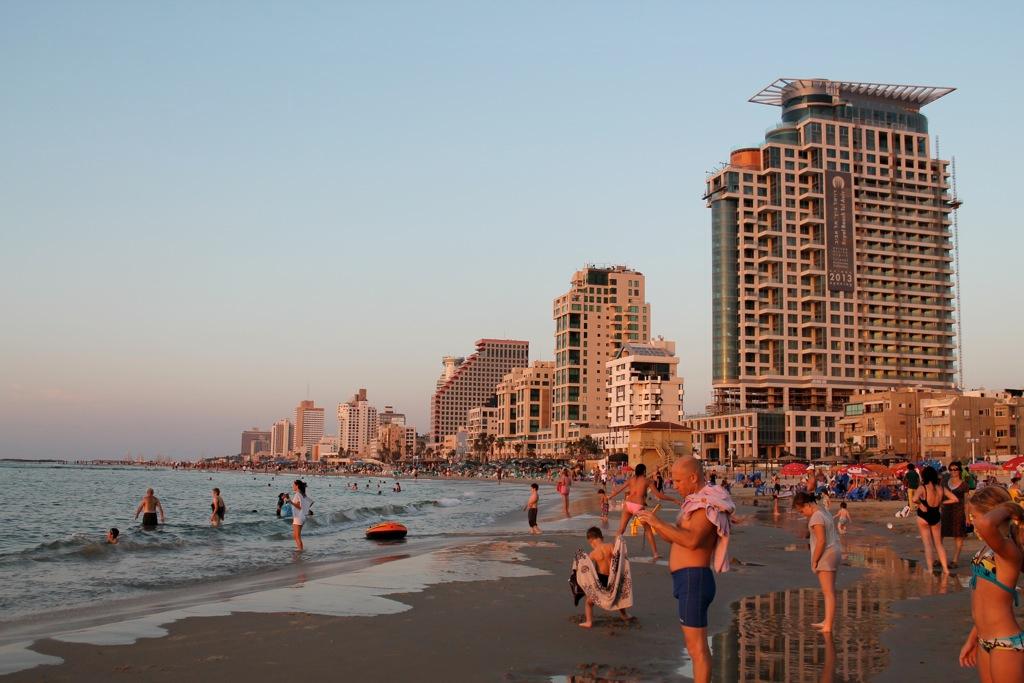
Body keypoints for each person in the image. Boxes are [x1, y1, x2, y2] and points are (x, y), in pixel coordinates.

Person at [634, 457, 735, 683]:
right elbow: (675, 539)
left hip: (694, 579)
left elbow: (691, 541)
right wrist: (652, 524)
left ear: (693, 478)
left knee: (697, 649)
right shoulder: (694, 503)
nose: (674, 485)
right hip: (687, 580)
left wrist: (658, 522)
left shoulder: (706, 506)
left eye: (678, 480)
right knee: (694, 647)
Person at [958, 486, 1024, 682]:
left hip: (1006, 644)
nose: (972, 522)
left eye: (974, 517)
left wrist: (1010, 508)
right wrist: (972, 639)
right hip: (983, 640)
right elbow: (984, 601)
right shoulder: (988, 548)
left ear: (993, 515)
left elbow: (987, 524)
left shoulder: (1009, 550)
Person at [608, 463, 678, 562]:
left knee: (621, 530)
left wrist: (609, 497)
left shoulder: (631, 479)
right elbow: (659, 495)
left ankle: (615, 552)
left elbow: (619, 490)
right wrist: (673, 499)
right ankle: (655, 554)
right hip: (638, 506)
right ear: (644, 471)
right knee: (648, 529)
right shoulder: (647, 481)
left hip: (628, 505)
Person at [792, 491, 841, 632]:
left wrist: (814, 561)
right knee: (830, 591)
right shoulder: (823, 511)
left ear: (807, 505)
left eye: (802, 511)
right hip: (835, 550)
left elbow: (821, 541)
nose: (802, 514)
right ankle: (827, 620)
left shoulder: (816, 517)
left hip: (827, 554)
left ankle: (828, 626)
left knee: (828, 592)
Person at [579, 527, 630, 628]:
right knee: (617, 596)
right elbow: (617, 558)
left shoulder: (593, 553)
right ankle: (625, 615)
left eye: (590, 543)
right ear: (601, 537)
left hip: (601, 579)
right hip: (613, 577)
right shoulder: (610, 546)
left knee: (589, 602)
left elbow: (588, 569)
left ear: (591, 541)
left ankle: (589, 622)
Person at [914, 465, 959, 575]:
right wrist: (943, 502)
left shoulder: (922, 488)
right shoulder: (941, 488)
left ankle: (930, 570)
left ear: (924, 476)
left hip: (923, 516)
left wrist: (921, 504)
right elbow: (955, 499)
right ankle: (946, 569)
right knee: (939, 544)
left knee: (928, 545)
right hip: (936, 516)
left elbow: (914, 499)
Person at [942, 460, 970, 568]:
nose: (953, 471)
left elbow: (967, 502)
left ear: (959, 471)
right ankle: (939, 558)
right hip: (945, 512)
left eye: (955, 469)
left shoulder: (964, 485)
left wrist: (967, 518)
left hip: (958, 513)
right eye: (951, 469)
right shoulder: (944, 482)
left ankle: (955, 560)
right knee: (940, 535)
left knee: (958, 537)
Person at [291, 480, 311, 551]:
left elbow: (299, 506)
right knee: (296, 536)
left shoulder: (298, 494)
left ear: (297, 486)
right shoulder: (302, 494)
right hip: (301, 516)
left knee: (297, 536)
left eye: (293, 485)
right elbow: (309, 503)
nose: (292, 486)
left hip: (299, 517)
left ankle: (300, 551)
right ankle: (300, 549)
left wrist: (291, 502)